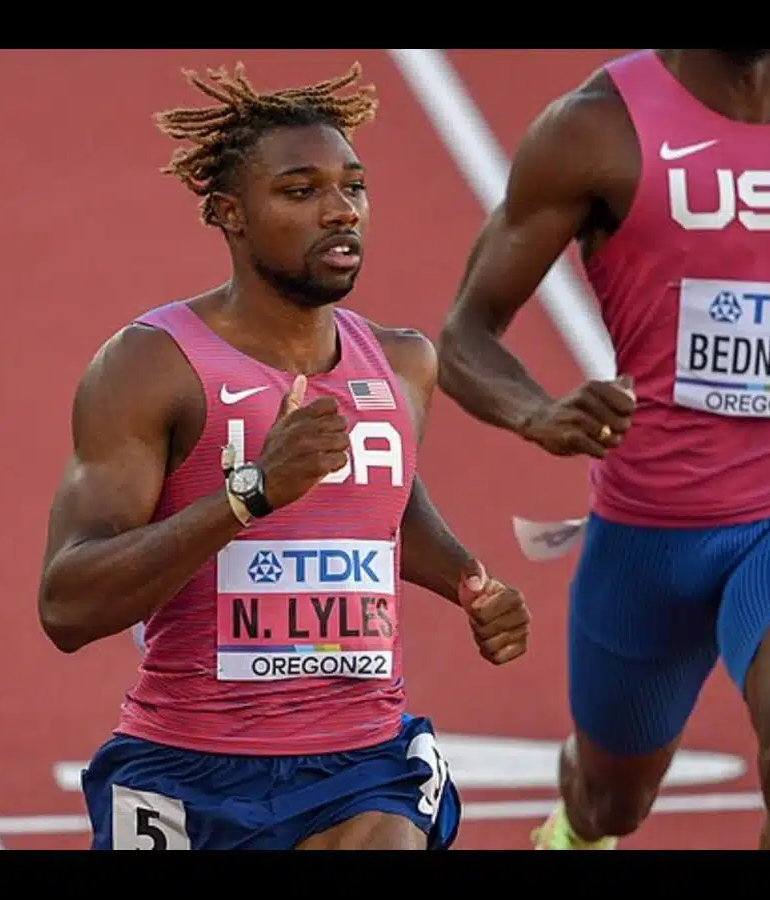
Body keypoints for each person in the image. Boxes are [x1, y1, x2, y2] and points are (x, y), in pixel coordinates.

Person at [37, 61, 532, 851]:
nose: (340, 211)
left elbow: (388, 499)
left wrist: (469, 580)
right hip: (190, 770)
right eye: (300, 192)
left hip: (363, 763)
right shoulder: (152, 366)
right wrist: (248, 496)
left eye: (354, 187)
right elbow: (66, 606)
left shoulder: (403, 365)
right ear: (230, 214)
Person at [436, 48, 770, 850]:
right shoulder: (594, 130)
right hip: (653, 523)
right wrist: (535, 412)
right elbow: (466, 334)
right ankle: (575, 830)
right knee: (614, 801)